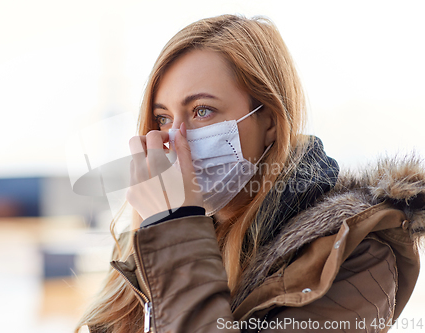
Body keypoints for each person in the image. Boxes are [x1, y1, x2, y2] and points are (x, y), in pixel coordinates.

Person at [76, 14, 425, 333]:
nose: (175, 138)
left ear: (269, 121)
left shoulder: (354, 254)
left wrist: (175, 227)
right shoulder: (147, 236)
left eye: (202, 111)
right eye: (164, 118)